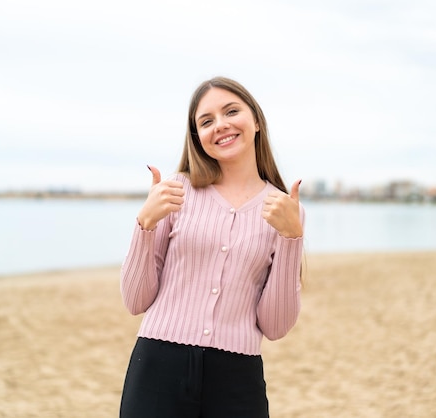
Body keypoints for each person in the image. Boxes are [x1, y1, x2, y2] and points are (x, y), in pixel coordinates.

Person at [119, 76, 305, 418]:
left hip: (238, 377)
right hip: (158, 367)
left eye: (231, 111)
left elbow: (276, 326)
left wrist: (293, 239)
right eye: (206, 121)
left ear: (257, 121)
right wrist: (144, 224)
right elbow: (135, 301)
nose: (220, 125)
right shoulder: (175, 191)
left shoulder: (284, 209)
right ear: (197, 137)